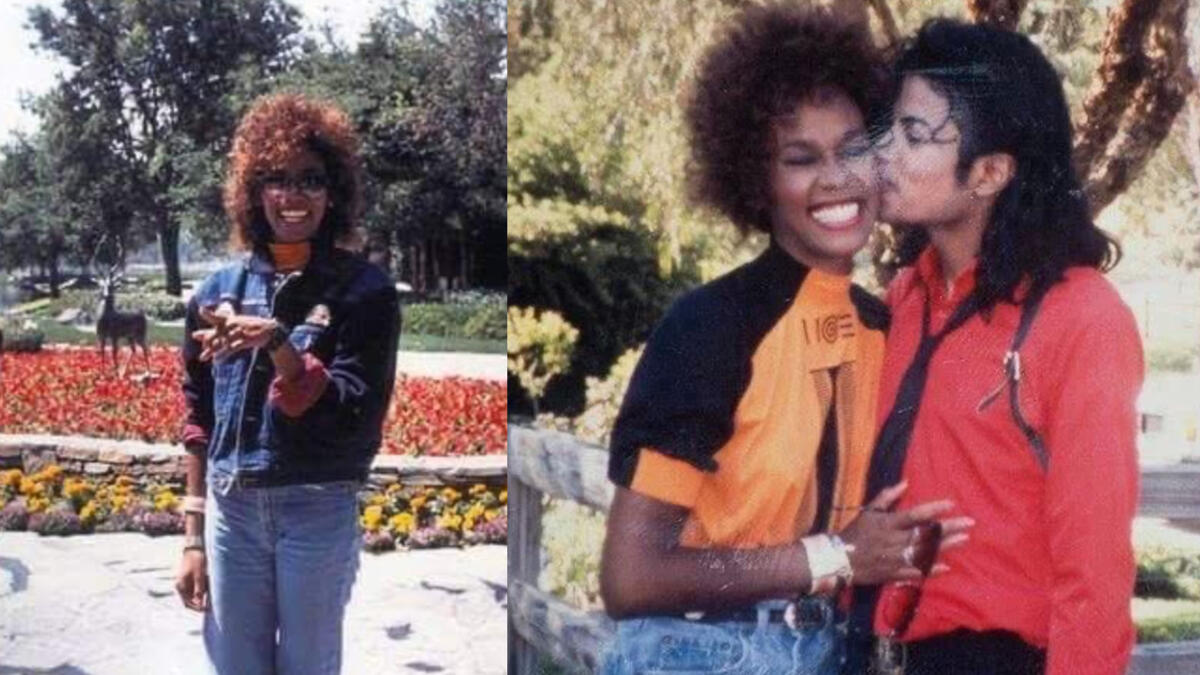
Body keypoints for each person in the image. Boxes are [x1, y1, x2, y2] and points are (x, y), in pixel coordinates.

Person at [596, 5, 972, 673]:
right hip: (695, 652)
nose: (835, 178)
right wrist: (835, 555)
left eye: (854, 148)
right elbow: (631, 576)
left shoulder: (883, 326)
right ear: (756, 180)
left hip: (829, 649)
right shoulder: (710, 327)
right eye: (801, 159)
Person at [867, 20, 1143, 675]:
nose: (883, 151)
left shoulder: (1081, 320)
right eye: (887, 127)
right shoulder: (904, 299)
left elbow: (1095, 578)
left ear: (990, 171)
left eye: (913, 134)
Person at [173, 93, 401, 675]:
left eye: (310, 179)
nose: (293, 195)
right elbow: (197, 417)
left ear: (334, 193)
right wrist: (193, 537)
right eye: (275, 179)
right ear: (253, 191)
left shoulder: (363, 291)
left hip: (316, 506)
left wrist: (279, 344)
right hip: (231, 510)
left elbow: (354, 413)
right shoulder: (215, 293)